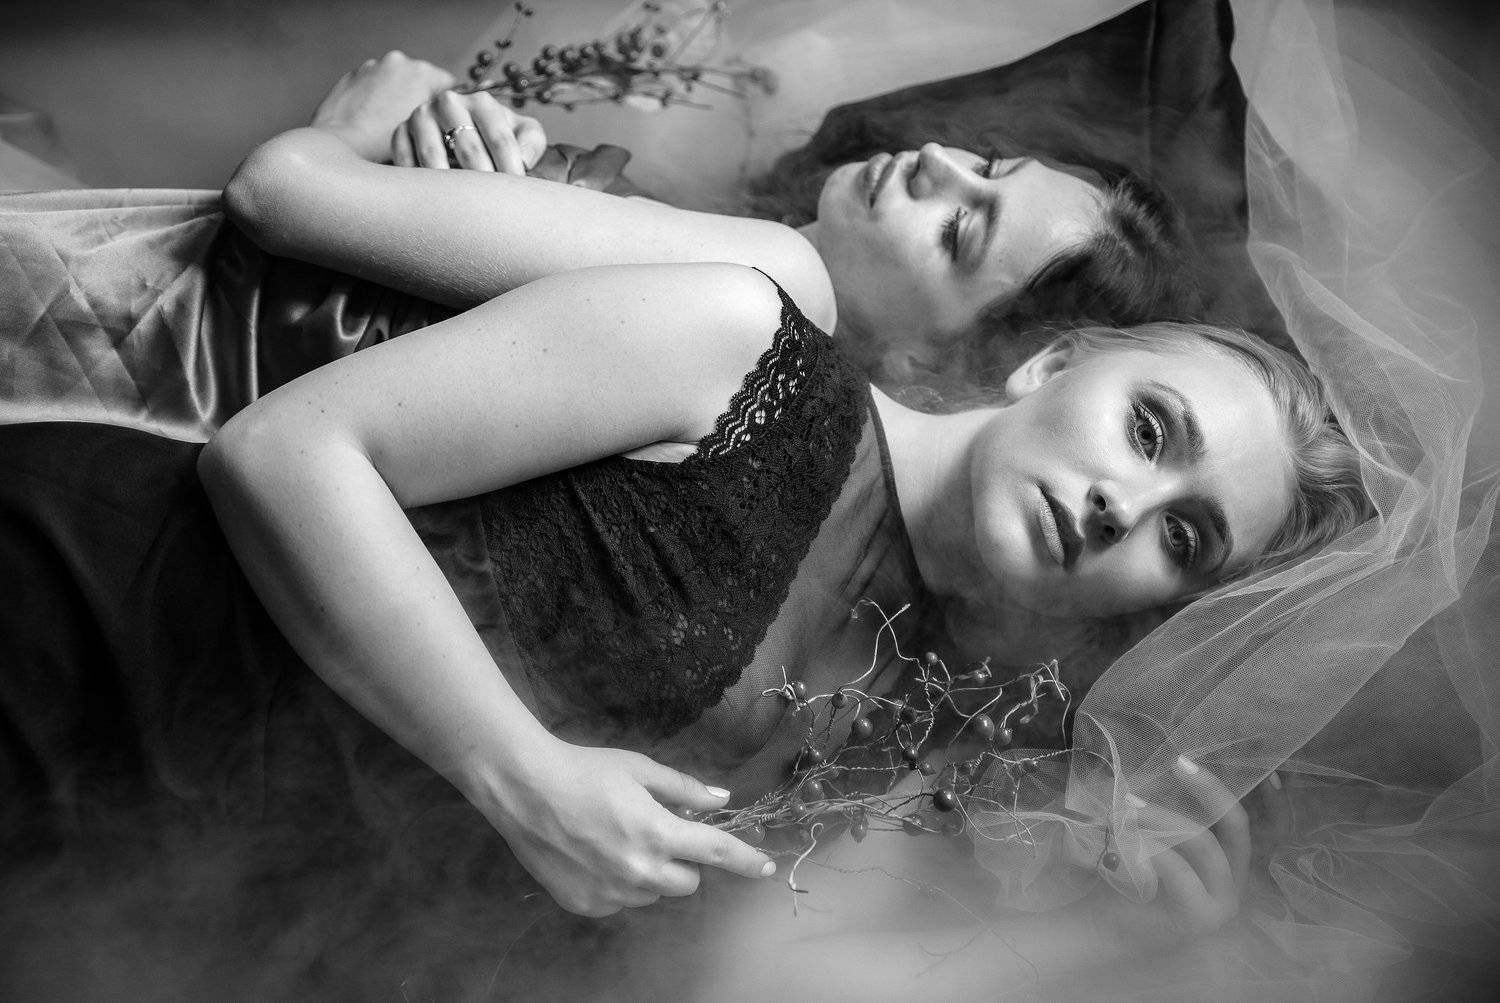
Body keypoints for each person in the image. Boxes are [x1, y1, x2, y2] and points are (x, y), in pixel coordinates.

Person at [0, 238, 1367, 990]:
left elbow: (729, 980)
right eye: (1149, 428)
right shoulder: (740, 343)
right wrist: (518, 766)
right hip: (75, 633)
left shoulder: (923, 717)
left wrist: (1121, 942)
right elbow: (287, 453)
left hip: (158, 870)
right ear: (1053, 363)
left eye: (1184, 536)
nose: (1128, 503)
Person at [0, 51, 1195, 439]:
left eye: (965, 226)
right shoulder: (765, 370)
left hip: (120, 331)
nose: (937, 163)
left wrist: (365, 117)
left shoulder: (771, 284)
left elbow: (277, 198)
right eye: (985, 162)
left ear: (935, 364)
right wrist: (474, 168)